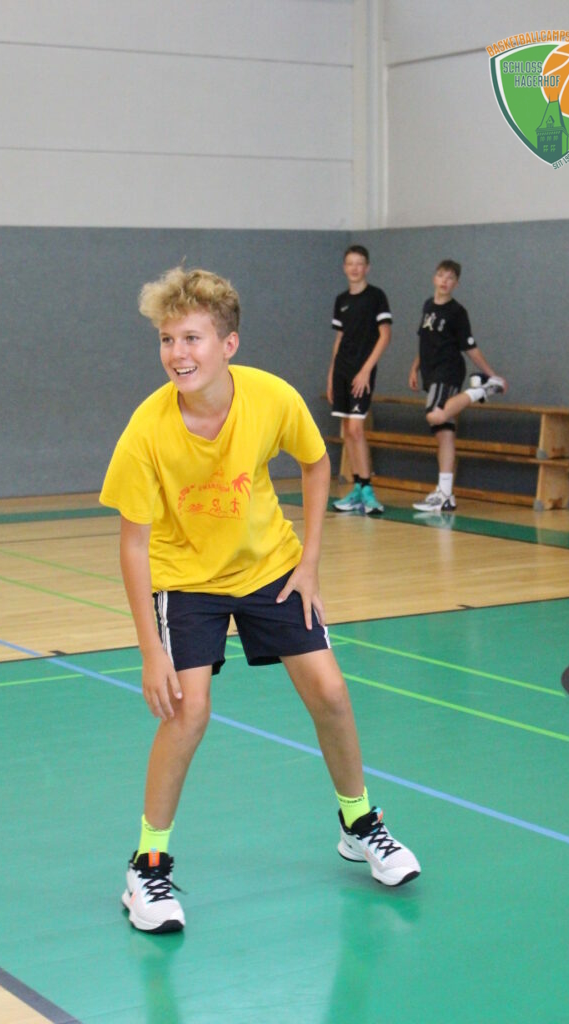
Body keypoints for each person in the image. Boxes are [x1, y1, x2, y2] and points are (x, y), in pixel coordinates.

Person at [100, 266, 420, 934]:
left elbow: (315, 462)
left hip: (270, 567)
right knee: (187, 711)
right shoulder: (147, 429)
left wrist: (309, 563)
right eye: (166, 339)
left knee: (330, 692)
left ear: (229, 344)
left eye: (191, 338)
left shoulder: (271, 398)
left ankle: (359, 822)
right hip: (187, 578)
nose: (177, 353)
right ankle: (146, 866)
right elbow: (133, 545)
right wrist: (151, 651)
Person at [408, 260, 507, 513]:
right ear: (434, 278)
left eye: (450, 277)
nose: (444, 281)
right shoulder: (428, 306)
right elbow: (425, 341)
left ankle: (480, 390)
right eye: (441, 275)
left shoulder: (457, 312)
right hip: (431, 372)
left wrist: (492, 375)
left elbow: (470, 348)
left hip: (448, 370)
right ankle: (445, 494)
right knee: (444, 434)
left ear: (456, 284)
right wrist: (415, 367)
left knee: (435, 415)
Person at [327, 245, 392, 515]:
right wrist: (331, 374)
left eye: (359, 263)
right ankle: (356, 489)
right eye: (350, 263)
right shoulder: (341, 300)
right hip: (342, 370)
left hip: (361, 372)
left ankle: (367, 489)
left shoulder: (376, 297)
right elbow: (339, 338)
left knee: (356, 428)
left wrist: (366, 370)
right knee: (347, 429)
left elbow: (385, 335)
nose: (354, 268)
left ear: (367, 267)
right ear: (345, 267)